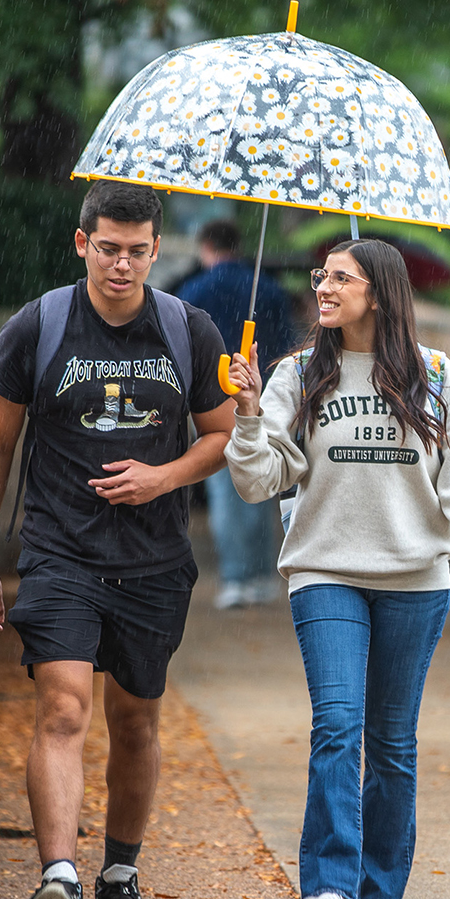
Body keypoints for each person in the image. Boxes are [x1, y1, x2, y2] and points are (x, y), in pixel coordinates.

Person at [223, 239, 450, 899]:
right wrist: (249, 413)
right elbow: (258, 481)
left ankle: (380, 896)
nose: (323, 286)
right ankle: (328, 890)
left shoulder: (434, 377)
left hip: (415, 583)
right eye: (321, 275)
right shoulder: (297, 374)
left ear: (379, 294)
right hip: (326, 572)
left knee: (391, 744)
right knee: (337, 724)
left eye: (340, 278)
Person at [0, 181, 235, 899]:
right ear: (82, 243)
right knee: (63, 710)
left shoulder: (190, 330)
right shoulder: (39, 327)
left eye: (138, 251)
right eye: (108, 248)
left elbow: (219, 436)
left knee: (136, 720)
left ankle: (119, 879)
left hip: (154, 561)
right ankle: (59, 880)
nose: (122, 265)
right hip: (59, 552)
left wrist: (164, 477)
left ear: (158, 250)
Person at [177, 217, 291, 609]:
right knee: (260, 484)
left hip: (213, 399)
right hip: (263, 396)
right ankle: (262, 574)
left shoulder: (194, 291)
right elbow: (286, 347)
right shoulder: (270, 291)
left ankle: (237, 577)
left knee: (225, 490)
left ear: (207, 247)